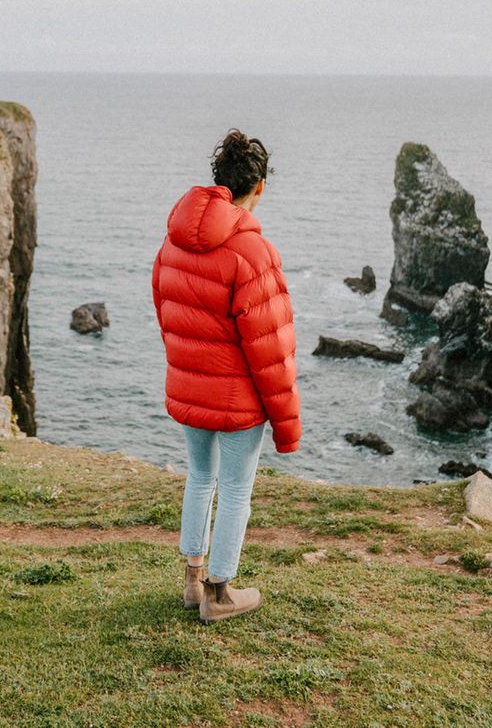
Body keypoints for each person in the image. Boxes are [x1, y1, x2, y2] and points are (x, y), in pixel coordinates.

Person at [151, 129, 302, 624]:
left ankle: (193, 583)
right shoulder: (254, 254)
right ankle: (219, 595)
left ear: (219, 181)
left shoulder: (171, 243)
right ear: (258, 186)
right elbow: (272, 352)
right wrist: (287, 425)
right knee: (236, 488)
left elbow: (167, 314)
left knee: (200, 476)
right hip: (237, 400)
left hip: (191, 388)